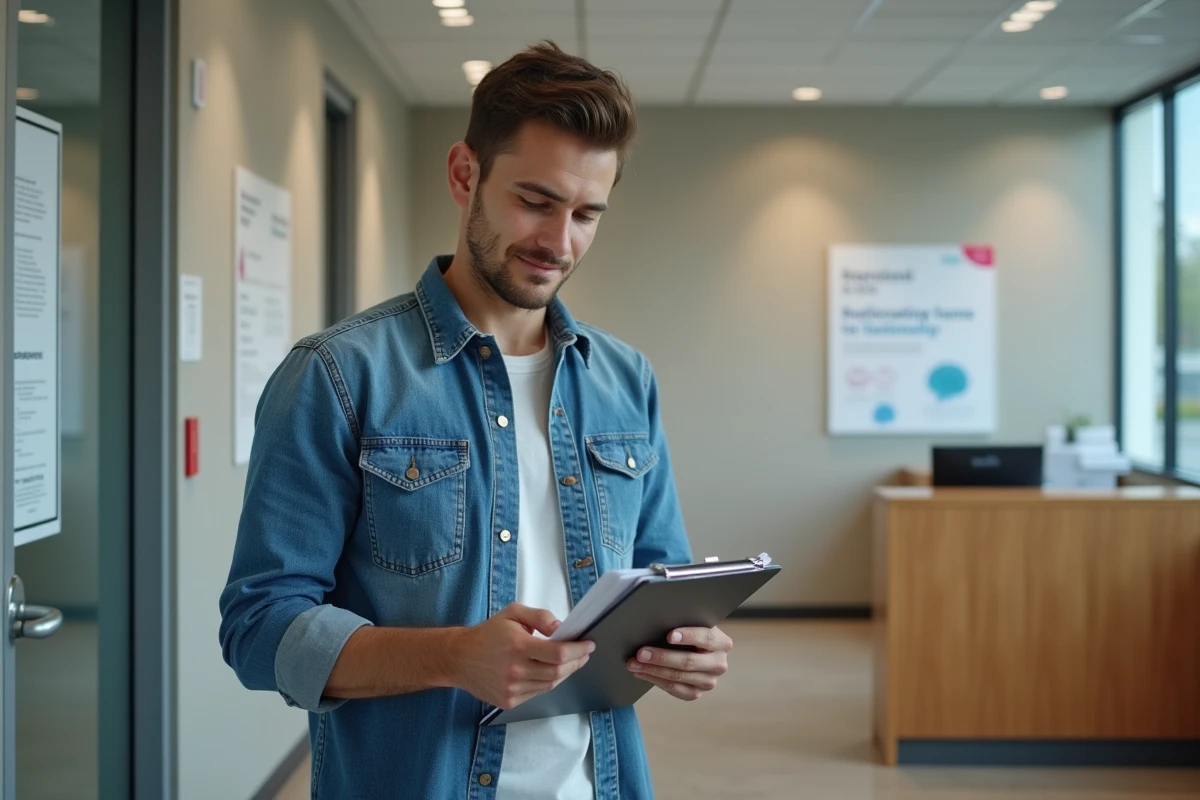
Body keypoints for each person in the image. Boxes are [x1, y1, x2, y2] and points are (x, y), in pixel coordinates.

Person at [219, 41, 734, 799]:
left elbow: (658, 582)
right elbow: (260, 629)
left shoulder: (626, 380)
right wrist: (453, 655)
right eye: (536, 201)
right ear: (466, 175)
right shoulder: (337, 374)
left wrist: (687, 645)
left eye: (587, 213)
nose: (560, 242)